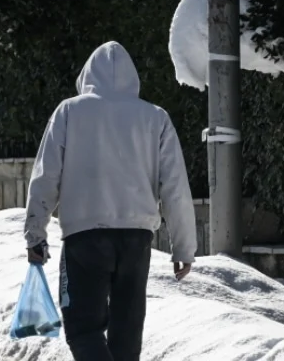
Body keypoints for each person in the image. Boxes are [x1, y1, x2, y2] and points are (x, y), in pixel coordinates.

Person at [24, 42, 198, 361]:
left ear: (87, 75)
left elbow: (46, 175)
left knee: (83, 330)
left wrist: (36, 232)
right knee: (126, 337)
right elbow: (175, 186)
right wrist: (184, 247)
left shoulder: (69, 111)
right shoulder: (155, 117)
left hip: (84, 238)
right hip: (137, 240)